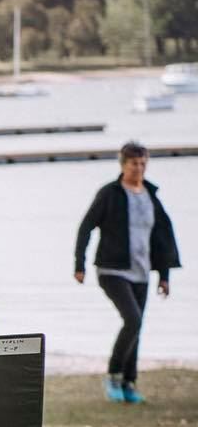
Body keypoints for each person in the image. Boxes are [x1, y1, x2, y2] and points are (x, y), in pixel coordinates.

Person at [74, 141, 179, 404]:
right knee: (132, 320)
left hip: (141, 272)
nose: (139, 168)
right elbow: (86, 226)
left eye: (143, 163)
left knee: (137, 327)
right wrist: (80, 264)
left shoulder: (150, 196)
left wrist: (164, 276)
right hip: (112, 270)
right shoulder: (110, 194)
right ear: (123, 164)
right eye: (134, 163)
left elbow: (162, 238)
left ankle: (129, 383)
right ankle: (112, 375)